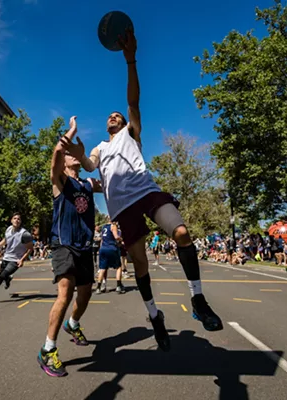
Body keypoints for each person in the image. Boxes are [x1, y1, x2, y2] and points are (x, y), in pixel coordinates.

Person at [62, 30, 222, 351]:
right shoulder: (100, 148)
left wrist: (130, 59)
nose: (114, 116)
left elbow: (133, 100)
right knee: (140, 266)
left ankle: (198, 299)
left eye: (118, 116)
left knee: (181, 233)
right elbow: (91, 167)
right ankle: (155, 316)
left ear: (125, 123)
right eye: (111, 116)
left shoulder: (131, 134)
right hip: (123, 210)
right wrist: (78, 153)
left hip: (146, 193)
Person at [37, 116, 102, 378]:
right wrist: (71, 131)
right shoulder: (59, 181)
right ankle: (48, 349)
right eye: (70, 154)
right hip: (63, 244)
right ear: (65, 162)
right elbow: (55, 153)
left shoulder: (87, 184)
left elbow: (112, 183)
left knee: (85, 295)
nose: (74, 155)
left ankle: (72, 324)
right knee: (65, 293)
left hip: (85, 247)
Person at [0, 213, 33, 306]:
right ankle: (8, 279)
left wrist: (22, 259)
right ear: (11, 220)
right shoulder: (8, 229)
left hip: (15, 260)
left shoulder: (24, 234)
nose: (16, 220)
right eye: (14, 218)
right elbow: (6, 240)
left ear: (21, 221)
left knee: (1, 277)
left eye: (18, 219)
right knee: (2, 275)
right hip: (6, 257)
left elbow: (30, 248)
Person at [96, 219, 126, 294]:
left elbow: (102, 240)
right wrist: (122, 239)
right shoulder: (113, 226)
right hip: (111, 248)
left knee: (103, 268)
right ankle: (119, 286)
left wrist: (100, 249)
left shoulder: (103, 227)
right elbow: (116, 237)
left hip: (103, 248)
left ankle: (99, 287)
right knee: (118, 267)